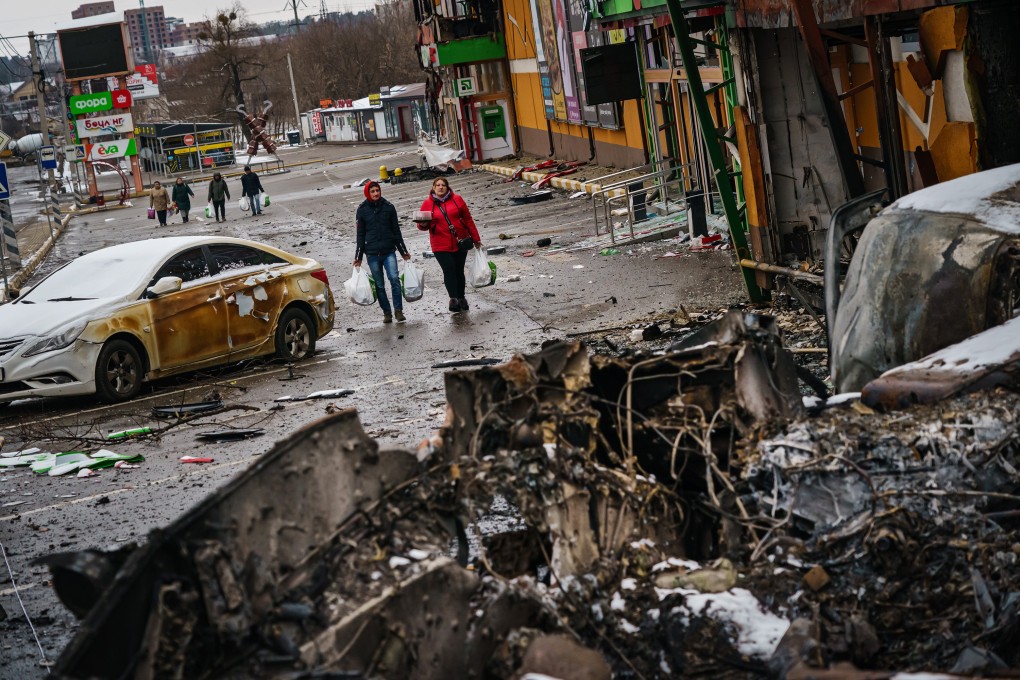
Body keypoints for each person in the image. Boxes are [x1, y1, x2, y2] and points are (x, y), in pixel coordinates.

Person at [418, 177, 481, 313]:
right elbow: (422, 225)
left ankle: (461, 297)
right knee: (449, 269)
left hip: (460, 241)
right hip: (440, 244)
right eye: (438, 185)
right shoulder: (427, 204)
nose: (440, 187)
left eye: (443, 185)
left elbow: (468, 219)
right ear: (433, 187)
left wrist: (476, 238)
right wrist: (422, 224)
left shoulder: (457, 200)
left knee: (459, 270)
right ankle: (453, 299)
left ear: (447, 187)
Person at [353, 181, 410, 323]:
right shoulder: (362, 210)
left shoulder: (389, 208)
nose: (376, 193)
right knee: (379, 285)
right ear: (368, 193)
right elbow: (360, 235)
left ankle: (398, 311)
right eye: (372, 191)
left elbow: (396, 231)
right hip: (372, 254)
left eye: (377, 190)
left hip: (389, 251)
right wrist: (358, 257)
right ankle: (387, 313)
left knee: (394, 279)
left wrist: (403, 251)